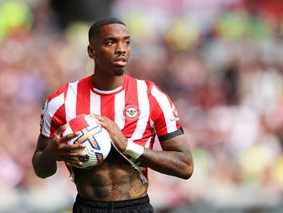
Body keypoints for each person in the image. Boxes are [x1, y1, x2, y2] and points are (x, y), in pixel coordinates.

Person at [32, 17, 194, 213]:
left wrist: (127, 146)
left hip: (136, 207)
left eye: (126, 41)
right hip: (87, 207)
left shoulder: (151, 97)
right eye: (111, 42)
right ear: (92, 51)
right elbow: (41, 170)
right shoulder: (62, 101)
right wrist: (51, 153)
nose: (121, 49)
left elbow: (185, 166)